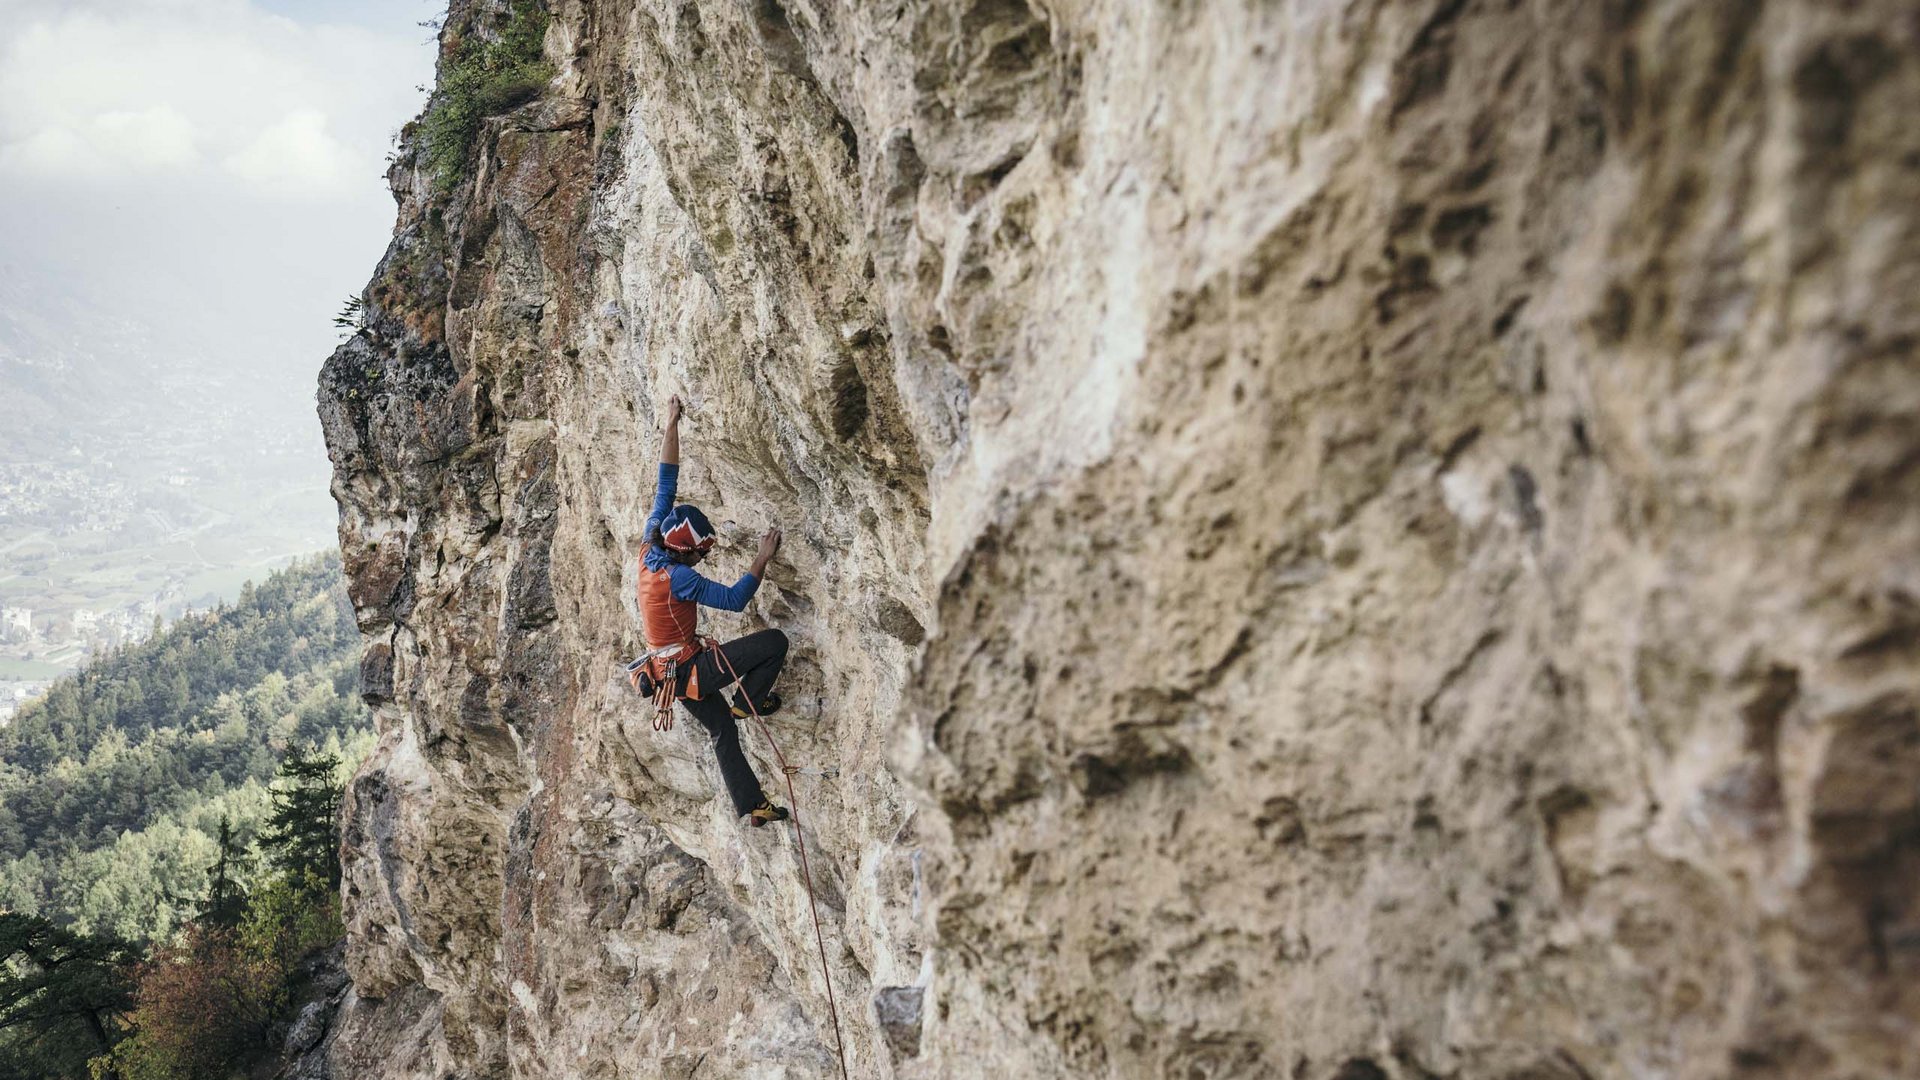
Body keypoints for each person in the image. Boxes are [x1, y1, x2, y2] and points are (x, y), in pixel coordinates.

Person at [635, 394, 792, 827]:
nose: (703, 561)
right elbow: (735, 600)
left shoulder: (651, 543)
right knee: (775, 642)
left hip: (668, 674)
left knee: (723, 731)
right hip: (689, 672)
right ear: (687, 555)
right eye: (701, 555)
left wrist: (672, 424)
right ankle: (748, 701)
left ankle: (752, 806)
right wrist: (761, 558)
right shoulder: (679, 578)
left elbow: (666, 483)